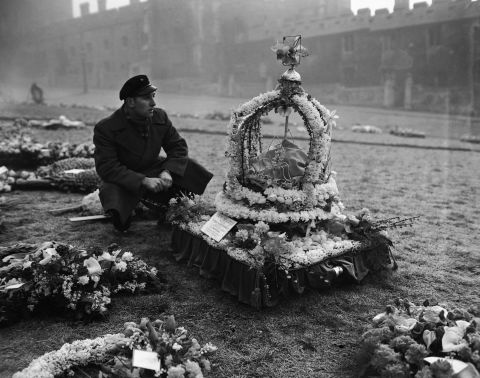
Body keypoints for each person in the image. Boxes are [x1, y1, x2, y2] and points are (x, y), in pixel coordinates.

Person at [93, 74, 213, 232]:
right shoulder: (107, 127)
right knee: (117, 209)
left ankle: (174, 205)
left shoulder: (159, 116)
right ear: (130, 102)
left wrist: (167, 171)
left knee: (188, 167)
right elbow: (107, 167)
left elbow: (177, 146)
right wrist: (143, 180)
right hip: (124, 177)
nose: (153, 103)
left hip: (153, 167)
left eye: (153, 96)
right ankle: (123, 215)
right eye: (146, 98)